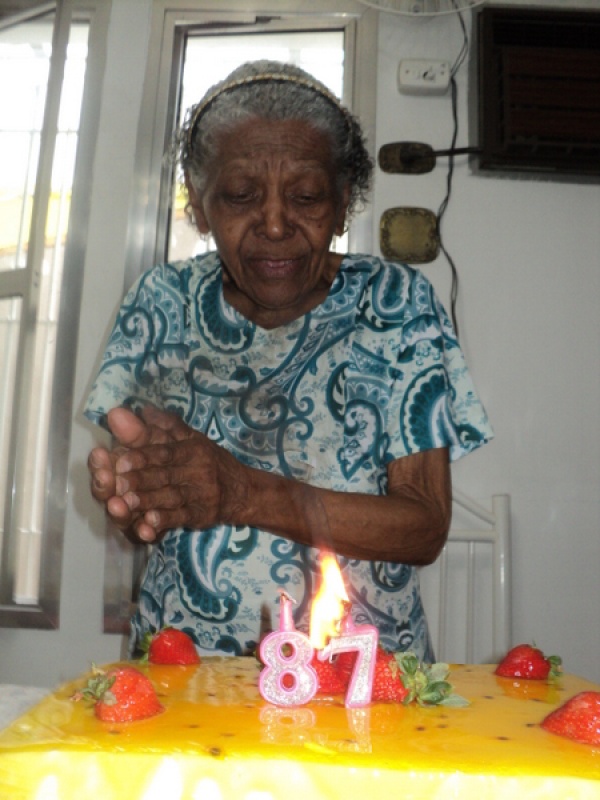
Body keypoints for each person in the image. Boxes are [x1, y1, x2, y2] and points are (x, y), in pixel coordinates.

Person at [85, 60, 492, 661]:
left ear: (343, 201)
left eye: (305, 196)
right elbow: (154, 511)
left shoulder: (396, 303)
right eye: (241, 196)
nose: (275, 223)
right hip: (185, 673)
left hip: (355, 679)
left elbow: (425, 525)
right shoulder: (160, 301)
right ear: (200, 207)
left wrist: (241, 492)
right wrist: (138, 497)